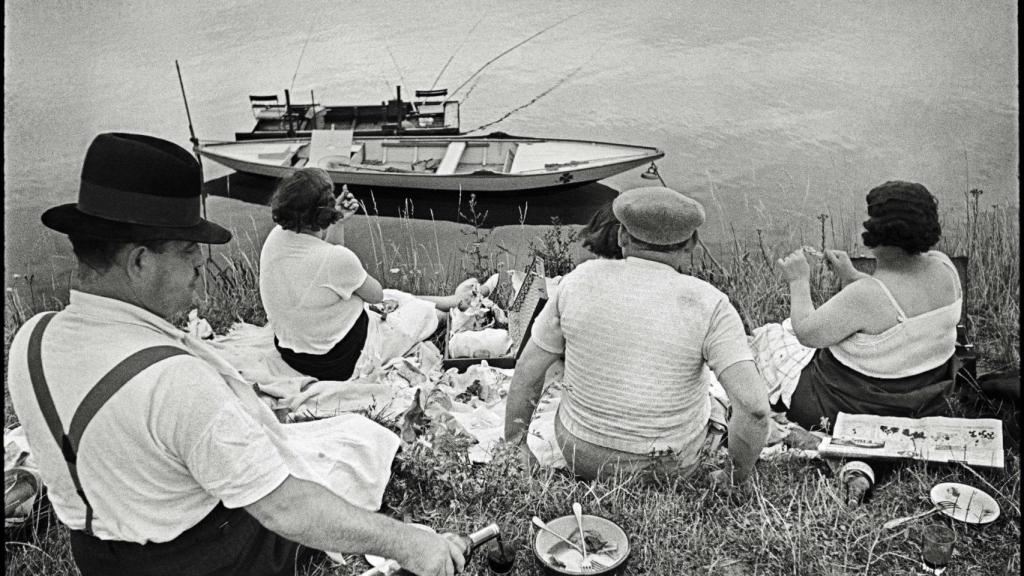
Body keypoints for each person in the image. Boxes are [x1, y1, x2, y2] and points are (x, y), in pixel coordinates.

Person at [6, 133, 466, 576]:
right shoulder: (175, 381)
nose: (201, 267)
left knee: (339, 440)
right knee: (351, 453)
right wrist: (412, 543)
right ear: (139, 261)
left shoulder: (31, 339)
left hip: (100, 557)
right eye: (189, 252)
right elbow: (286, 507)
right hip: (210, 559)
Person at [504, 186, 770, 486]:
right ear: (691, 243)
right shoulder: (711, 304)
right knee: (717, 401)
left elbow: (527, 369)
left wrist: (516, 445)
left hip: (579, 453)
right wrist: (735, 476)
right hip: (669, 466)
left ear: (621, 237)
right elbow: (755, 408)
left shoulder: (577, 281)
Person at [773, 181, 962, 431]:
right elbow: (893, 304)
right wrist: (850, 275)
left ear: (877, 231)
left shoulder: (866, 295)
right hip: (926, 391)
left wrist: (798, 280)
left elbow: (806, 333)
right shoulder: (944, 268)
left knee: (773, 340)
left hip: (857, 403)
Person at [259, 167, 475, 381]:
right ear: (324, 211)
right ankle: (456, 313)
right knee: (417, 312)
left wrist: (338, 221)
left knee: (395, 296)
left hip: (295, 354)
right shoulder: (338, 260)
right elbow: (376, 295)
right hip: (340, 360)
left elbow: (329, 267)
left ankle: (453, 300)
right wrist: (333, 219)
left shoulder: (276, 238)